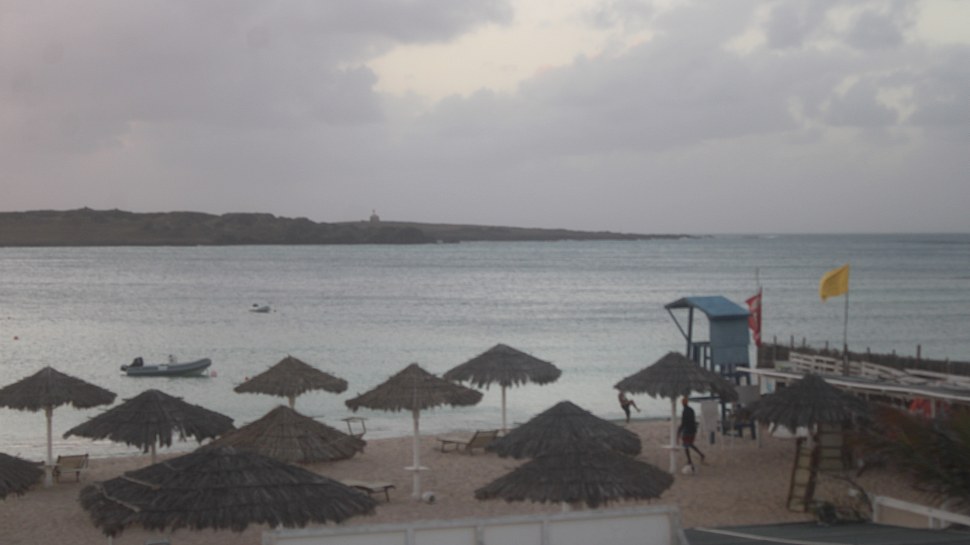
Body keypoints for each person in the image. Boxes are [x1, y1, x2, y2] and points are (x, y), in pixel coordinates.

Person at [677, 396, 706, 470]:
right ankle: (701, 454)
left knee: (686, 445)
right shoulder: (691, 410)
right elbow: (692, 420)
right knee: (690, 444)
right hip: (693, 430)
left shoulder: (685, 411)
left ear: (682, 403)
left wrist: (679, 431)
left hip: (687, 430)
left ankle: (690, 460)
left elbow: (684, 422)